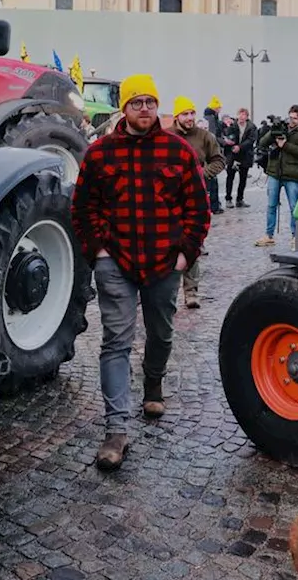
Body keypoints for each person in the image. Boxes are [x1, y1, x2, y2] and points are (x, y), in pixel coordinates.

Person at [70, 74, 211, 470]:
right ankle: (116, 429)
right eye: (138, 102)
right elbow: (83, 207)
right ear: (125, 108)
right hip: (115, 260)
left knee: (162, 332)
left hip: (165, 262)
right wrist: (97, 250)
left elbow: (198, 209)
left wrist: (185, 255)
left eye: (150, 101)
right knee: (115, 341)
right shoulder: (101, 153)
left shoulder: (179, 152)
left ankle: (153, 381)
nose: (145, 108)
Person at [169, 96, 225, 309]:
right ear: (177, 117)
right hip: (170, 200)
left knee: (191, 243)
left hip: (195, 199)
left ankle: (191, 291)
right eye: (185, 114)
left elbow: (219, 160)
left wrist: (202, 174)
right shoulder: (167, 137)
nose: (190, 118)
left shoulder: (205, 137)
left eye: (192, 113)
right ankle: (166, 291)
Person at [254, 104, 298, 249]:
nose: (291, 121)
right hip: (275, 171)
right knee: (271, 205)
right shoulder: (282, 127)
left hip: (292, 174)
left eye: (295, 118)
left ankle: (296, 236)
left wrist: (285, 145)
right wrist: (273, 131)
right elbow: (262, 143)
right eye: (290, 117)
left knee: (294, 206)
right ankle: (269, 235)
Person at [202, 96, 225, 213]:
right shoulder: (210, 118)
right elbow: (212, 136)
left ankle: (214, 204)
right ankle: (213, 205)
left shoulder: (211, 117)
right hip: (211, 153)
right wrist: (224, 141)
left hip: (211, 152)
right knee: (211, 180)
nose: (220, 110)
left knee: (212, 181)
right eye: (219, 107)